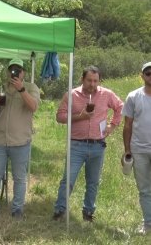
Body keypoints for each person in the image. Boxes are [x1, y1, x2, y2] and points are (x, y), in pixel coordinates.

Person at [53, 65, 123, 222]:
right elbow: (60, 116)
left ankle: (88, 212)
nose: (92, 84)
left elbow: (120, 107)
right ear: (82, 79)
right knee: (68, 180)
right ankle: (59, 210)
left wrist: (112, 125)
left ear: (99, 80)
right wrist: (80, 116)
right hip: (76, 144)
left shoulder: (106, 94)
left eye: (95, 81)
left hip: (98, 145)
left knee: (93, 182)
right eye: (89, 80)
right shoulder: (72, 95)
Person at [0, 58, 40, 218]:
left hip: (20, 141)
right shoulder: (0, 89)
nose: (14, 73)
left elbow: (34, 107)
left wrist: (22, 90)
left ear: (23, 73)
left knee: (19, 177)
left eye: (18, 70)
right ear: (8, 72)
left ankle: (17, 210)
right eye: (11, 70)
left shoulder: (31, 88)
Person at [122, 62, 151, 234]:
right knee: (145, 189)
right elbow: (127, 125)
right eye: (148, 73)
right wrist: (127, 149)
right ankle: (148, 223)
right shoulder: (133, 97)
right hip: (138, 150)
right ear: (142, 75)